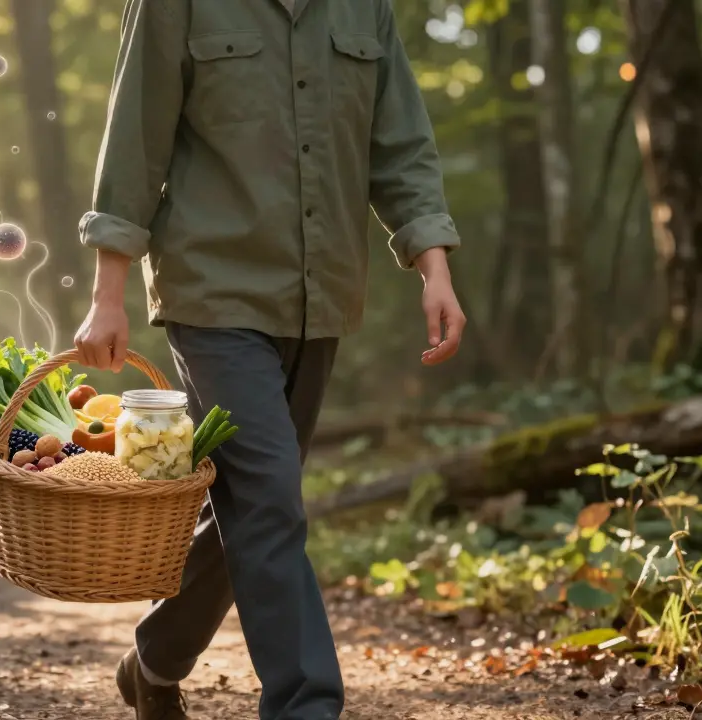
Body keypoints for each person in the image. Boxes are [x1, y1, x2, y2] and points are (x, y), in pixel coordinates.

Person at [74, 1, 466, 719]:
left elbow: (400, 143)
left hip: (322, 296)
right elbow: (135, 139)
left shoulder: (362, 8)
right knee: (269, 498)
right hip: (211, 291)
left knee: (254, 507)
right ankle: (306, 703)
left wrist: (433, 267)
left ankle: (154, 661)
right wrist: (109, 295)